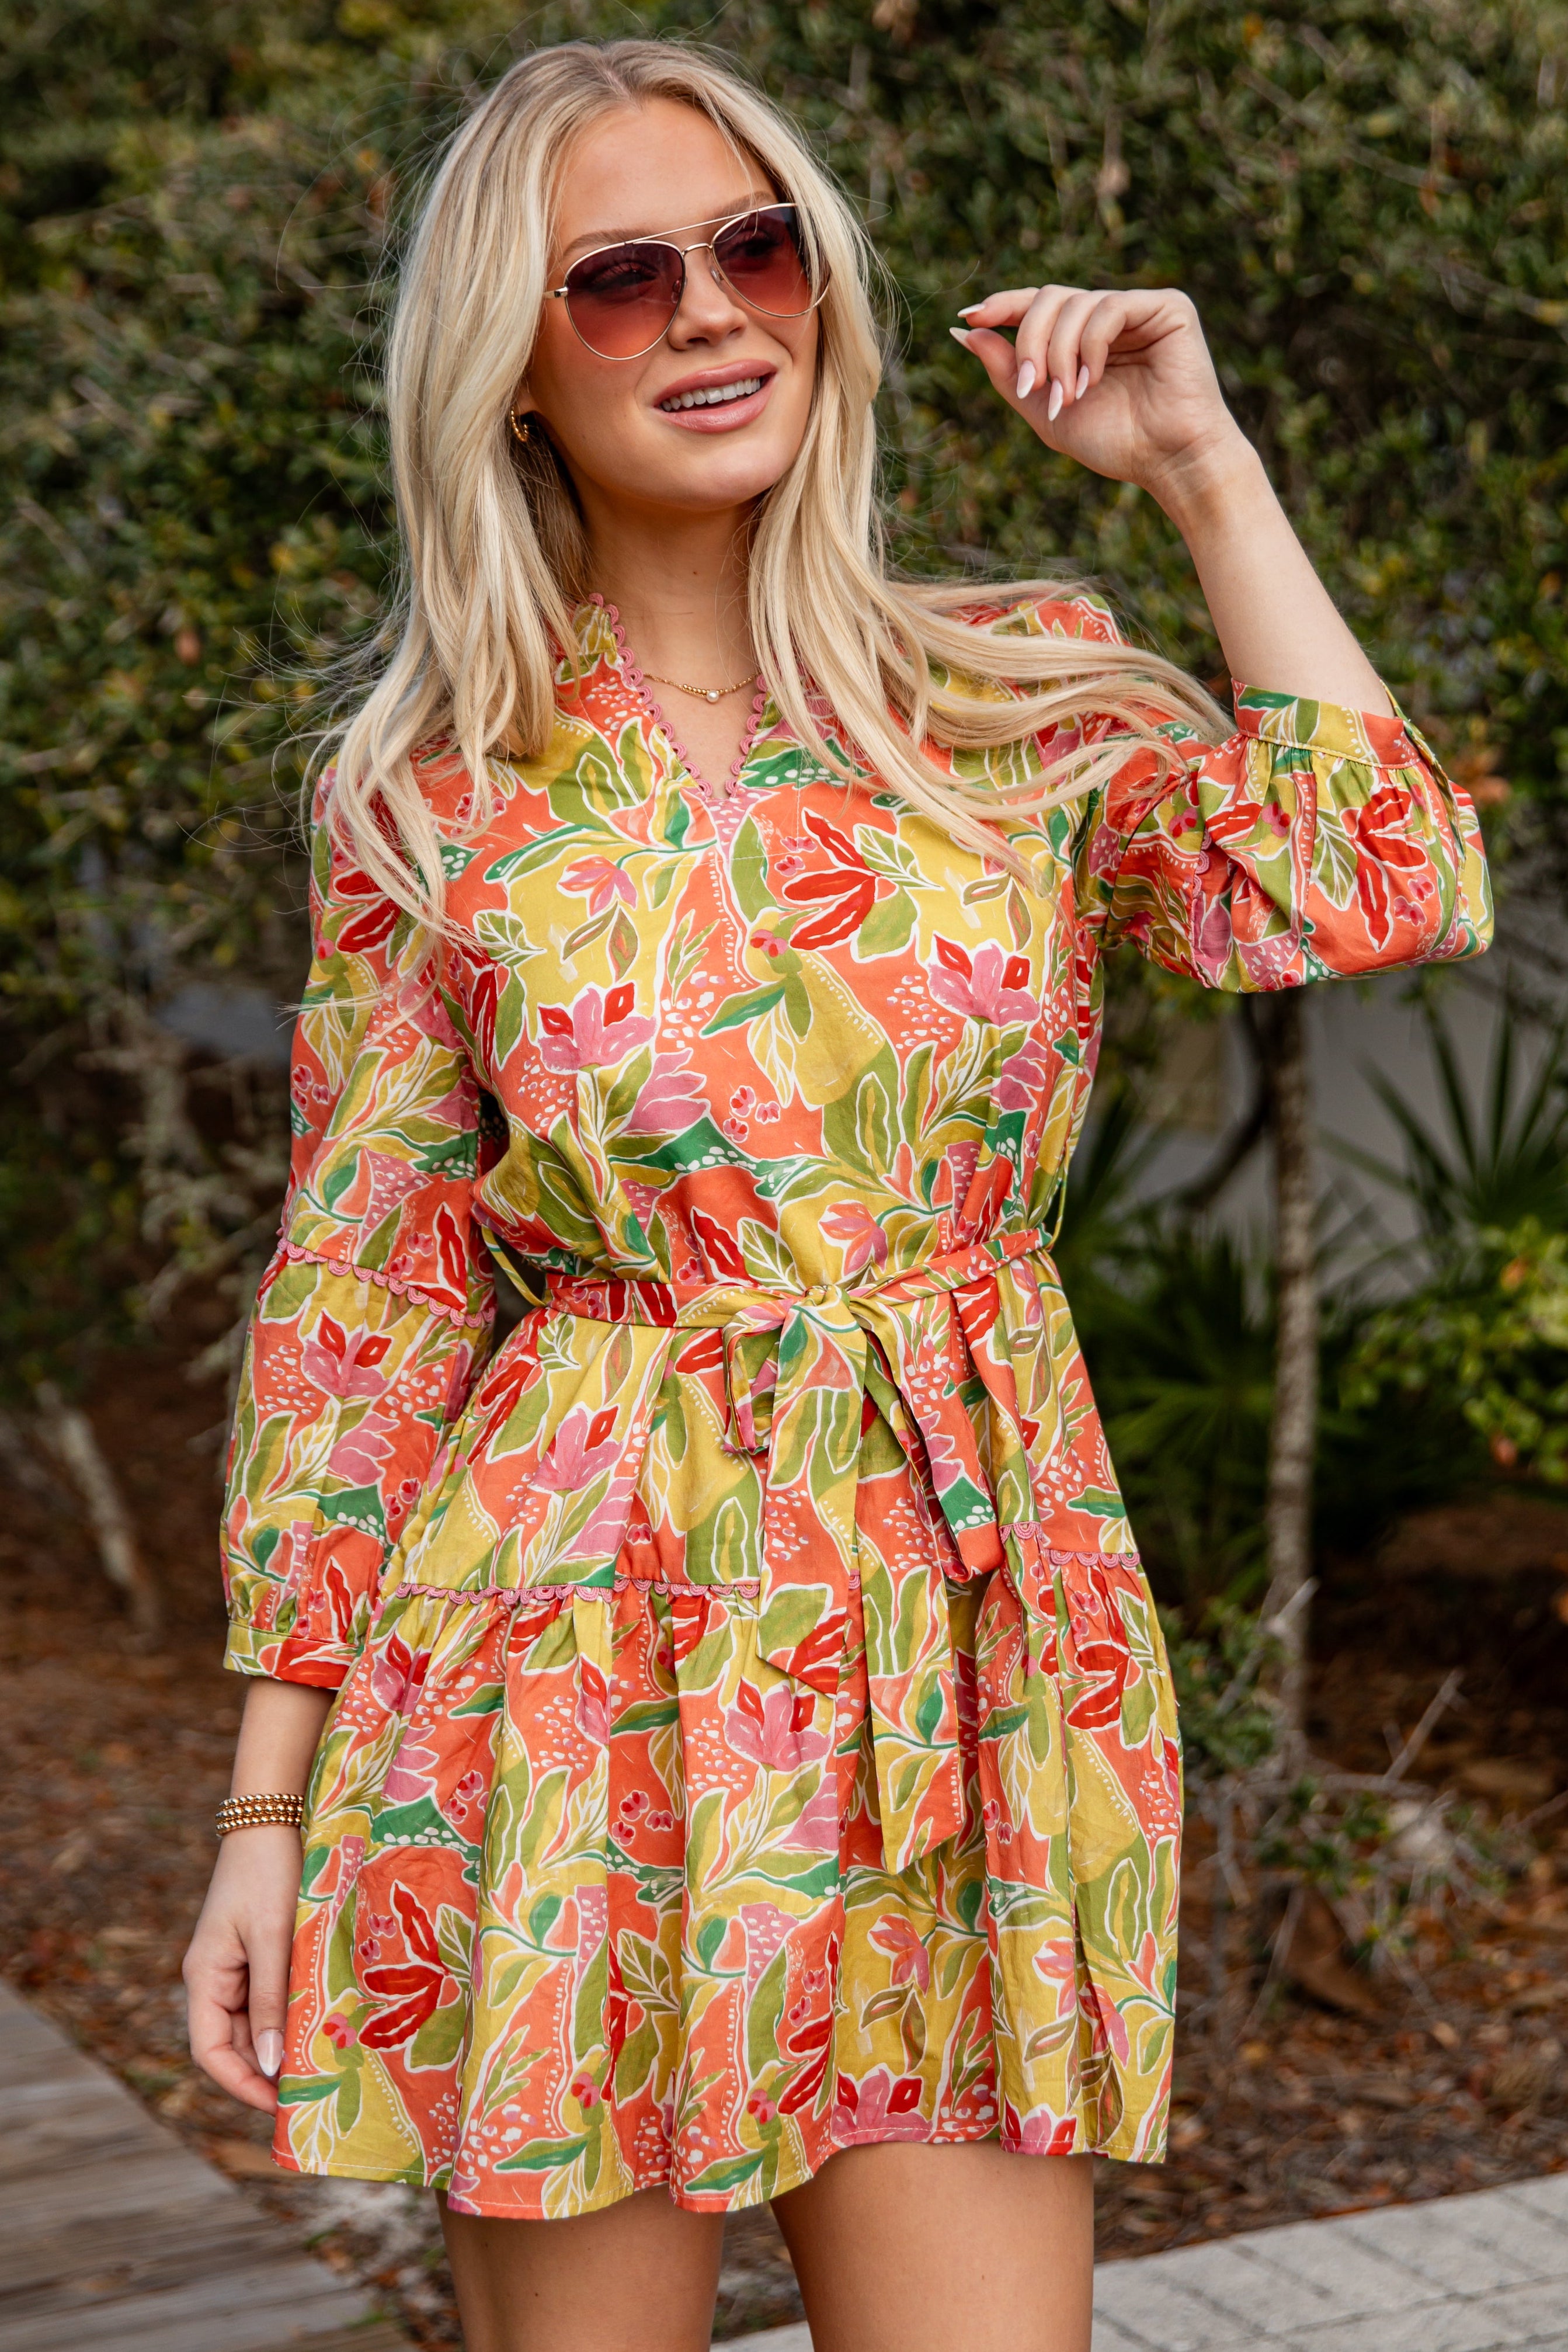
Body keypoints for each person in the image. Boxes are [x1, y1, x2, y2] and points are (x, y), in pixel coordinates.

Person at [182, 36, 1490, 2352]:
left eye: (754, 247)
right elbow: (363, 1309)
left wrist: (1199, 462)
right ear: (507, 368)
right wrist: (269, 1817)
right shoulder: (436, 800)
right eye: (618, 279)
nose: (709, 312)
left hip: (976, 1659)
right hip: (563, 1672)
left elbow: (1375, 877)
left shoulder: (1017, 698)